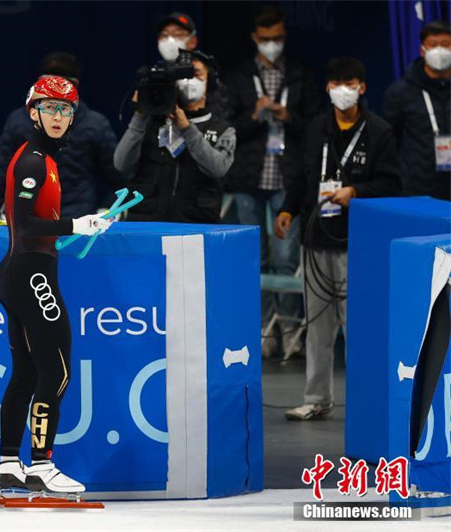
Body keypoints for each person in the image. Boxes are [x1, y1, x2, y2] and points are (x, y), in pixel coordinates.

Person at [0, 76, 113, 495]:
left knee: (26, 373)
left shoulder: (44, 158)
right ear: (33, 112)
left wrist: (78, 227)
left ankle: (9, 463)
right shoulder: (32, 161)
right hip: (31, 274)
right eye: (51, 108)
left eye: (66, 110)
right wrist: (77, 224)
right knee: (57, 372)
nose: (59, 116)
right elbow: (26, 225)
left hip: (21, 271)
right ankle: (42, 465)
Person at [275, 58, 401, 420]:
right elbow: (302, 176)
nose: (341, 89)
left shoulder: (379, 132)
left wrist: (355, 191)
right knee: (317, 326)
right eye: (335, 83)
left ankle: (368, 401)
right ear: (328, 87)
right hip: (316, 242)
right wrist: (287, 210)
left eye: (349, 83)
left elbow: (392, 184)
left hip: (356, 244)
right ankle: (317, 397)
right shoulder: (317, 128)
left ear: (362, 87)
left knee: (357, 327)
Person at [224, 5, 320, 355]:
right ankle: (264, 331)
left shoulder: (299, 74)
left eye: (277, 38)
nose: (271, 44)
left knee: (285, 257)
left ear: (285, 36)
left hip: (286, 177)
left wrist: (286, 114)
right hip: (248, 179)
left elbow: (314, 126)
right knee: (255, 259)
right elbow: (227, 129)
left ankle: (292, 332)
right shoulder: (237, 77)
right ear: (254, 38)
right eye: (265, 39)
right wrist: (254, 115)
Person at [0, 52, 124, 223]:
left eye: (63, 89)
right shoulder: (18, 122)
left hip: (79, 223)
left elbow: (119, 178)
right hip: (33, 223)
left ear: (75, 87)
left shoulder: (95, 124)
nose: (57, 117)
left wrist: (107, 212)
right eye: (49, 88)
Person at [113, 52, 235, 222]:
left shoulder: (222, 130)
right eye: (182, 75)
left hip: (195, 224)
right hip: (147, 221)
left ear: (210, 81)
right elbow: (121, 163)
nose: (188, 81)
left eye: (195, 74)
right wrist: (140, 116)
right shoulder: (149, 122)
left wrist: (187, 128)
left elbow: (218, 168)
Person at [382, 20, 451, 200]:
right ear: (422, 50)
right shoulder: (401, 92)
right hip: (418, 190)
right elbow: (389, 143)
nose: (440, 50)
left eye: (445, 45)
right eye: (433, 45)